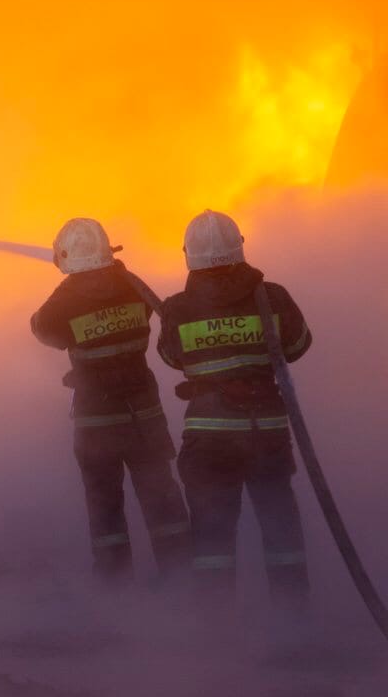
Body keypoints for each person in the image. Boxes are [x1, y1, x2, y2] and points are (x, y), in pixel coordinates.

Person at [157, 210, 312, 608]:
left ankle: (217, 632)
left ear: (188, 253)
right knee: (282, 536)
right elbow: (296, 347)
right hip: (267, 434)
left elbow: (173, 358)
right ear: (239, 246)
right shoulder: (272, 297)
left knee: (212, 539)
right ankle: (295, 624)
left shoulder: (176, 308)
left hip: (209, 441)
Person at [31, 217, 190, 583]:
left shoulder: (66, 300)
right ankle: (181, 583)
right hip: (144, 419)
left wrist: (68, 285)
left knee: (105, 509)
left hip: (96, 422)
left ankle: (115, 589)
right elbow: (153, 312)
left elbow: (42, 328)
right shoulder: (133, 287)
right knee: (161, 499)